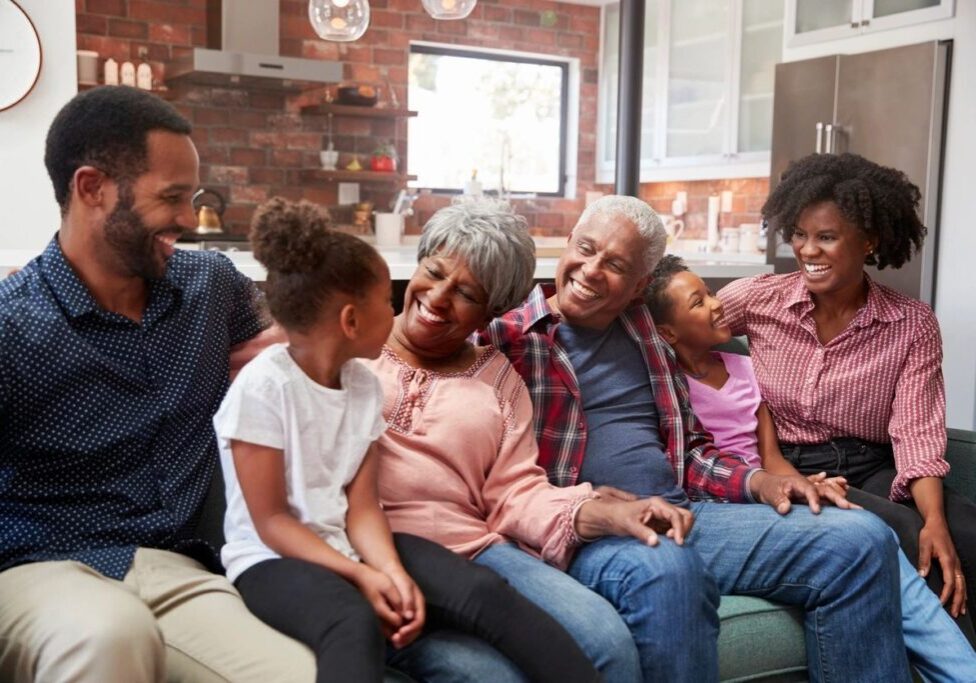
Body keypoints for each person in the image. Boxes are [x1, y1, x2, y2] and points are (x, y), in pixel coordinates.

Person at [480, 194, 912, 682]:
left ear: (640, 286)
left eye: (616, 264)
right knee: (668, 566)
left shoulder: (645, 331)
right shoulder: (508, 337)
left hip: (688, 512)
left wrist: (759, 484)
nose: (592, 269)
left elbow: (689, 451)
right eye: (586, 247)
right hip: (593, 531)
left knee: (862, 540)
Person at [0, 86, 314, 681]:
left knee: (305, 674)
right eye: (170, 197)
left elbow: (276, 359)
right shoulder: (13, 324)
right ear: (91, 189)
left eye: (191, 197)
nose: (187, 219)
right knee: (109, 634)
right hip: (41, 568)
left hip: (180, 571)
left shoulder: (211, 286)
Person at [215, 197, 600, 683]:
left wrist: (392, 572)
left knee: (484, 592)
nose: (402, 309)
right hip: (272, 559)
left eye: (466, 292)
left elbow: (362, 508)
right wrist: (363, 575)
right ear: (351, 322)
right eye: (385, 302)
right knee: (352, 620)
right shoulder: (265, 383)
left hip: (352, 542)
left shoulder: (360, 386)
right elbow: (270, 521)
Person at [368, 199, 696, 682]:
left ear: (492, 314)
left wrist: (602, 512)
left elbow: (516, 494)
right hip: (371, 546)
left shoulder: (498, 377)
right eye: (433, 272)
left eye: (466, 293)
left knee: (605, 642)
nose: (438, 297)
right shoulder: (352, 343)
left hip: (477, 552)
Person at [647, 255, 976, 680]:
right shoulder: (666, 385)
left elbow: (771, 457)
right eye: (700, 300)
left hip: (785, 485)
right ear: (667, 332)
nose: (717, 303)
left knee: (920, 534)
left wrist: (804, 485)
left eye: (710, 292)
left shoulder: (746, 370)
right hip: (732, 502)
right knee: (881, 533)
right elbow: (688, 464)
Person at [718, 153, 976, 634]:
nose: (807, 250)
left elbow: (917, 433)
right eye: (799, 234)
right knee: (904, 534)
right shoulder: (758, 299)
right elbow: (674, 324)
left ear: (870, 241)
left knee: (962, 533)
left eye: (826, 237)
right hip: (786, 464)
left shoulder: (910, 323)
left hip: (872, 464)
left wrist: (936, 517)